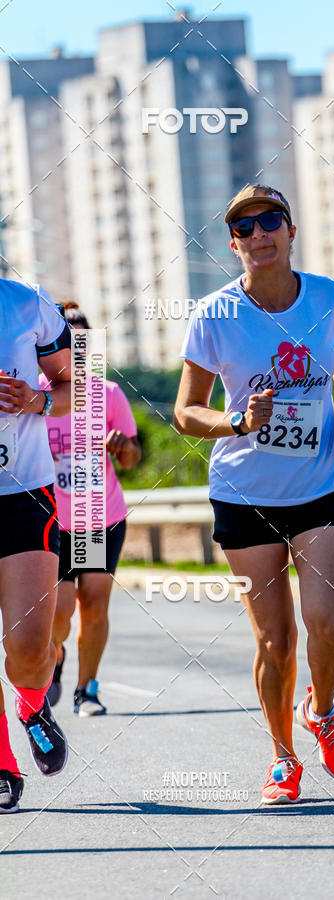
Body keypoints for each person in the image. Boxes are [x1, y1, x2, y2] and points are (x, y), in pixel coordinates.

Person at [175, 185, 334, 804]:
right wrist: (237, 422)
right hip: (244, 491)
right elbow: (185, 413)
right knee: (275, 641)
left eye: (270, 221)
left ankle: (325, 710)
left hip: (320, 483)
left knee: (328, 624)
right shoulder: (214, 315)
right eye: (244, 227)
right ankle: (283, 758)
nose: (259, 233)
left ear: (290, 230)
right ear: (234, 244)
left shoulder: (327, 297)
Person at [41, 302, 141, 717]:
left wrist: (123, 447)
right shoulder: (38, 400)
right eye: (69, 341)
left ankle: (88, 690)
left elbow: (133, 457)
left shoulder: (108, 394)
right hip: (53, 520)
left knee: (95, 605)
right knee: (60, 612)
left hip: (98, 518)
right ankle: (57, 656)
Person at [0, 280, 72, 813]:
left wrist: (39, 399)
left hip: (24, 492)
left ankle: (32, 706)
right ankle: (3, 765)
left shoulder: (26, 303)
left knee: (27, 651)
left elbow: (78, 386)